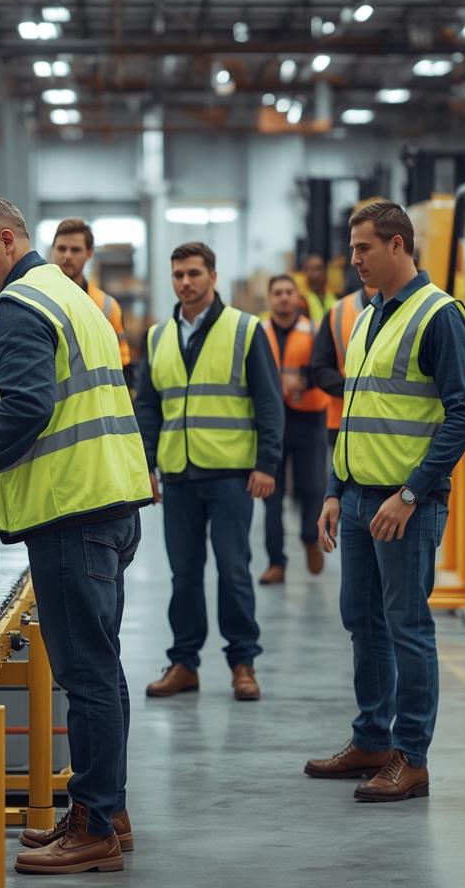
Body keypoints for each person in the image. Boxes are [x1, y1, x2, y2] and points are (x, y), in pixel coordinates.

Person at [0, 196, 150, 876]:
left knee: (86, 673)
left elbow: (26, 406)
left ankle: (96, 826)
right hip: (106, 501)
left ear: (8, 240)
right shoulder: (71, 296)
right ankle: (105, 809)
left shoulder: (17, 308)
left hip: (71, 512)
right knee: (99, 668)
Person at [305, 200, 465, 803]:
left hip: (404, 507)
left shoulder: (439, 316)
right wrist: (334, 490)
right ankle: (372, 740)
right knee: (364, 623)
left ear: (399, 245)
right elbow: (353, 414)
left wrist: (411, 493)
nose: (354, 261)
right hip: (357, 502)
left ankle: (412, 757)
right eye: (353, 249)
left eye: (364, 249)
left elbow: (464, 415)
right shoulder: (367, 316)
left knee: (407, 627)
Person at [136, 242, 282, 703]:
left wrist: (267, 463)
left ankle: (243, 664)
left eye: (194, 273)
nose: (185, 282)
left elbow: (268, 401)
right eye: (178, 274)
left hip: (231, 474)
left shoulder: (246, 330)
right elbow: (147, 407)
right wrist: (147, 465)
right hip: (178, 474)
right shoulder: (159, 336)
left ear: (213, 277)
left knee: (234, 570)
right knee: (184, 575)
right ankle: (184, 663)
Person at [259, 274, 332, 586]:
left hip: (308, 418)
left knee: (312, 488)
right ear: (270, 298)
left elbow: (325, 367)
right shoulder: (258, 332)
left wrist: (304, 379)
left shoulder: (314, 330)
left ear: (297, 297)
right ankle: (277, 562)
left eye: (289, 292)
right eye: (278, 293)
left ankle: (308, 538)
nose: (284, 298)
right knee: (270, 494)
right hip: (271, 420)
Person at [51, 218, 132, 369]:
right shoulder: (39, 299)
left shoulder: (107, 306)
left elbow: (122, 364)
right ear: (52, 250)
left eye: (75, 250)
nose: (67, 255)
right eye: (61, 248)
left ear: (89, 253)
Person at [310, 283, 377, 446]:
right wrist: (354, 390)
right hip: (344, 424)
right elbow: (320, 368)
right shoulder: (338, 311)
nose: (357, 260)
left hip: (395, 429)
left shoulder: (411, 307)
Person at [297, 253, 337, 324]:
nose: (316, 274)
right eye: (311, 269)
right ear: (304, 272)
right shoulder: (300, 299)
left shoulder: (334, 295)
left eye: (319, 268)